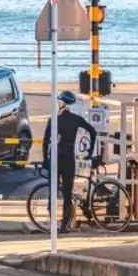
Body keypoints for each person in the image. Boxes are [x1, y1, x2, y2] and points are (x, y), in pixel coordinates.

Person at [40, 91, 97, 233]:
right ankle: (64, 225)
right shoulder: (76, 119)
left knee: (53, 190)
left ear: (62, 103)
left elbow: (45, 141)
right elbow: (93, 132)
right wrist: (89, 152)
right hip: (69, 157)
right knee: (67, 192)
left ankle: (53, 222)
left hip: (56, 156)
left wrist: (45, 160)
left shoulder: (53, 119)